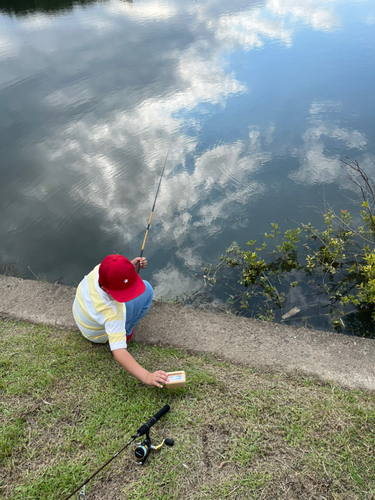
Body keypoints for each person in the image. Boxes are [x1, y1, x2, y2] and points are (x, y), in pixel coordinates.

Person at [72, 254, 169, 388]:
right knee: (146, 290)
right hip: (98, 336)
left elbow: (113, 272)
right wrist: (147, 376)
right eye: (122, 292)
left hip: (83, 319)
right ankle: (127, 332)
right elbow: (119, 352)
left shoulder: (99, 270)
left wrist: (128, 268)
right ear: (105, 289)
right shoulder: (112, 313)